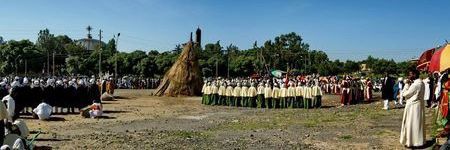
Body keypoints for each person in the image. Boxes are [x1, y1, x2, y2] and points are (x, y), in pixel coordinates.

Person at [399, 69, 425, 147]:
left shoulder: (415, 84)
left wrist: (406, 85)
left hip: (413, 106)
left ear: (414, 74)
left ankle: (412, 142)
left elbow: (406, 94)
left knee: (412, 123)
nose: (409, 76)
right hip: (419, 105)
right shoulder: (421, 82)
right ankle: (418, 141)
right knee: (417, 123)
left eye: (410, 74)